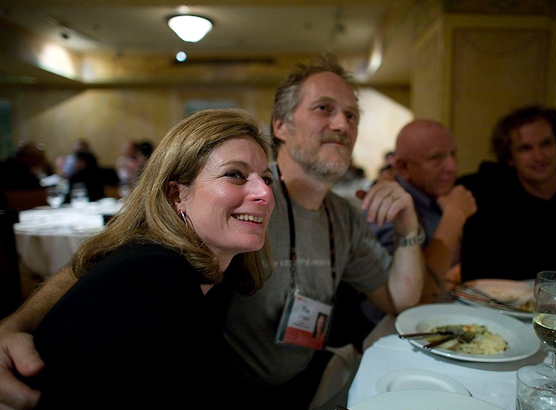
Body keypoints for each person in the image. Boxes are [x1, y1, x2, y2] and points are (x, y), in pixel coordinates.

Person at [0, 53, 425, 410]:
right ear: (280, 125)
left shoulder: (339, 215)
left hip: (297, 385)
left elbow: (399, 300)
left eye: (351, 115)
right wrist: (15, 325)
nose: (342, 124)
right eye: (324, 109)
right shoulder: (227, 208)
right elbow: (108, 261)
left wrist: (408, 228)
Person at [17, 108, 275, 409]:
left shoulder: (216, 273)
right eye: (235, 174)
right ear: (176, 194)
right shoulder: (147, 278)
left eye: (266, 179)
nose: (265, 193)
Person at [458, 105, 556, 281]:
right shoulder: (487, 193)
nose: (539, 157)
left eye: (546, 144)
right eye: (525, 148)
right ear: (510, 158)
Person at [367, 119, 477, 303]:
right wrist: (454, 216)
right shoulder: (388, 207)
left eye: (453, 154)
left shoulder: (444, 194)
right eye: (436, 158)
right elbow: (412, 298)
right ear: (403, 167)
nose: (452, 167)